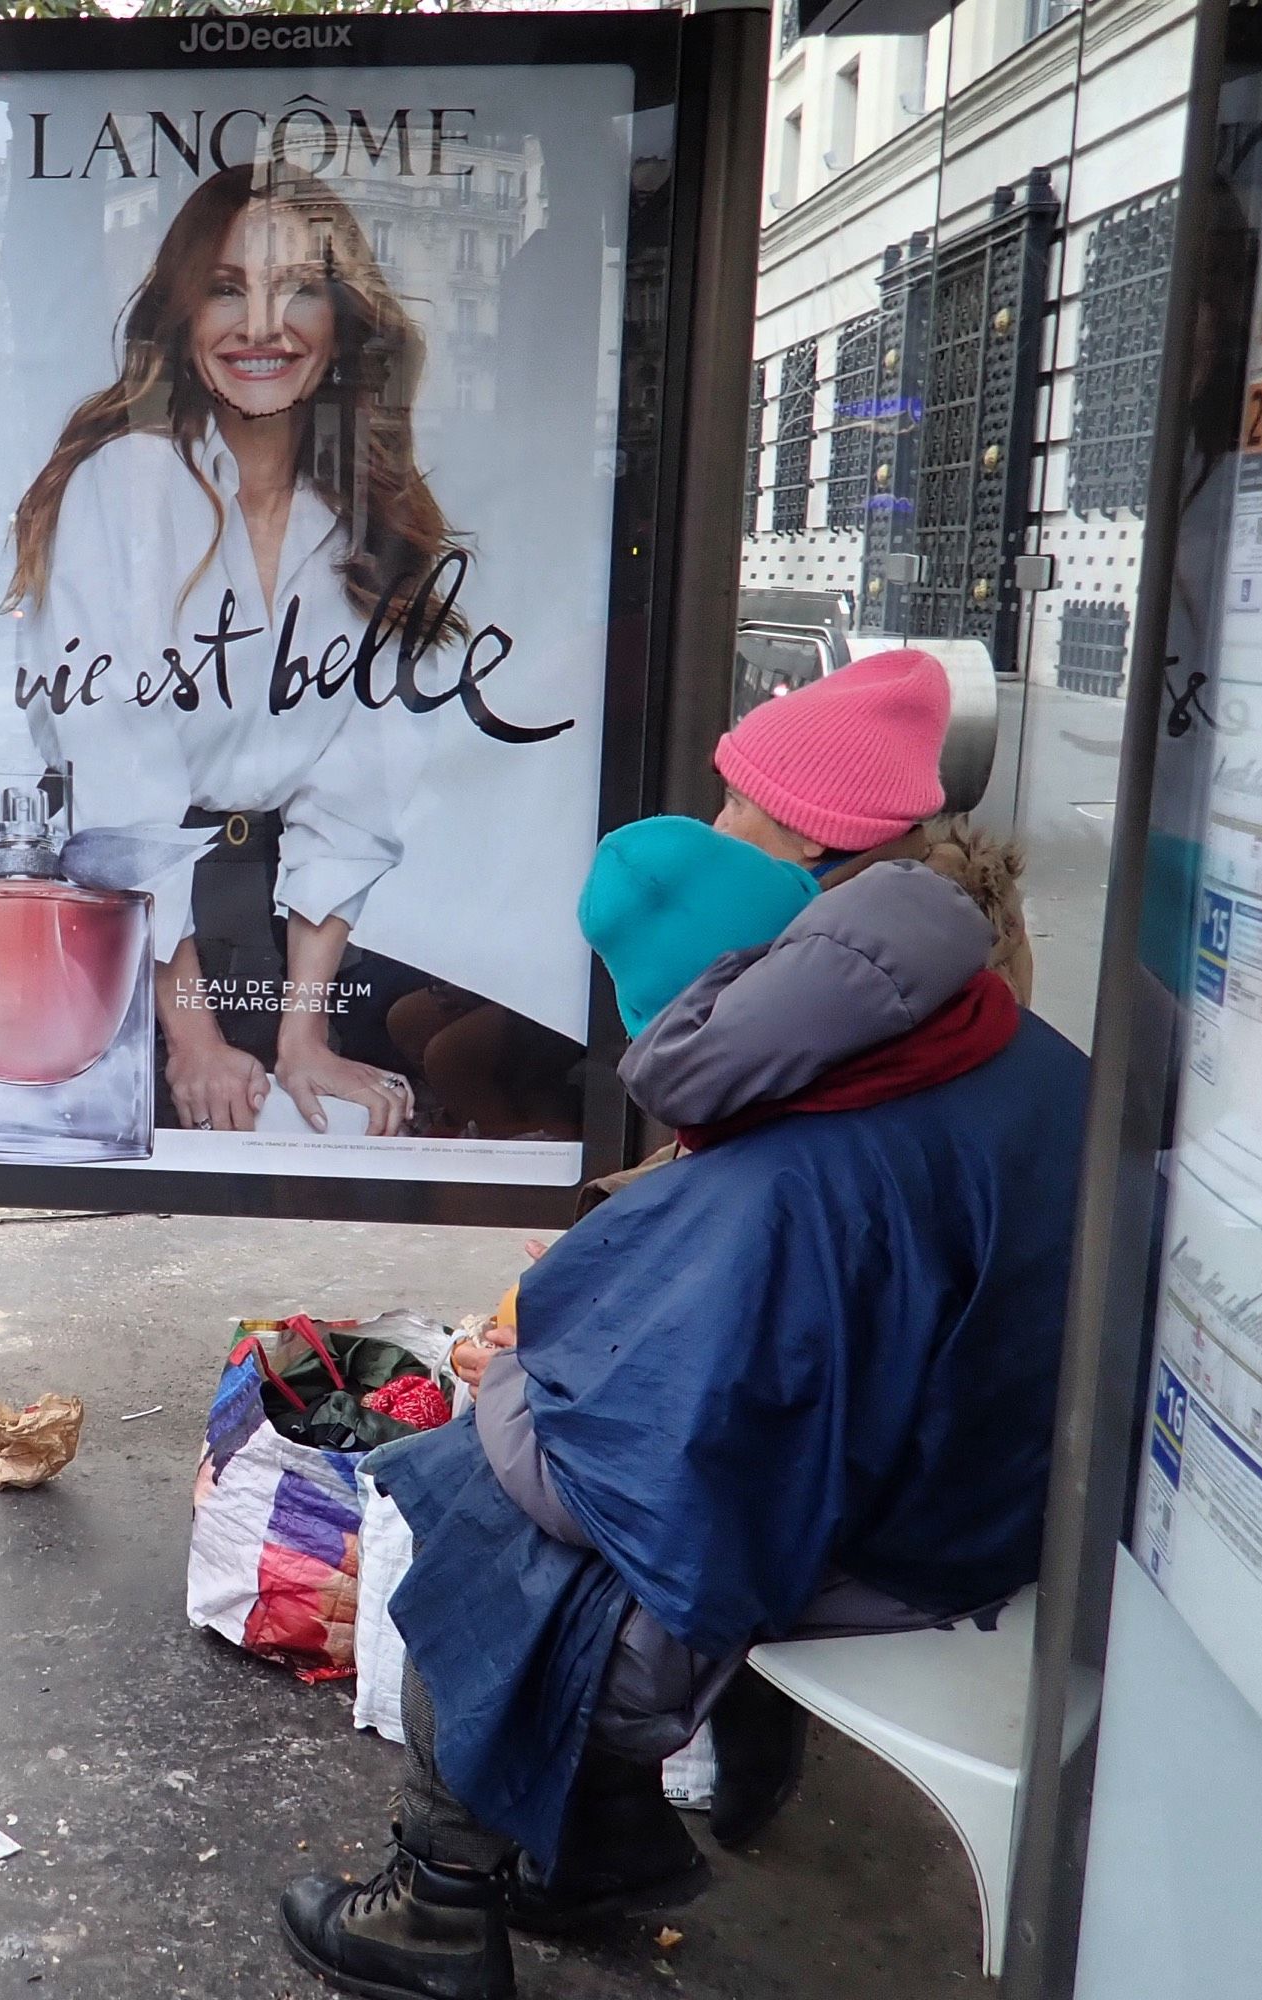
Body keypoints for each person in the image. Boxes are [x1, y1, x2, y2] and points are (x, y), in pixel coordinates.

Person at [278, 830, 1088, 2000]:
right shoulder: (975, 1036)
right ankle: (592, 1850)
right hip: (1007, 1468)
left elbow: (622, 1482)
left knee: (467, 1507)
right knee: (532, 1478)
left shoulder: (792, 1183)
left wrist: (504, 1375)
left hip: (927, 1529)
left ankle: (436, 1903)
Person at [7, 160, 465, 1139]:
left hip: (301, 928)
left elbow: (357, 791)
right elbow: (120, 774)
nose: (262, 324)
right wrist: (193, 1039)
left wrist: (302, 1033)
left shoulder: (361, 511)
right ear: (183, 314)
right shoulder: (122, 484)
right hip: (127, 926)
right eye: (225, 288)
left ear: (343, 318)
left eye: (299, 286)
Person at [714, 644, 1033, 1002]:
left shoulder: (831, 971)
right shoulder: (941, 923)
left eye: (736, 803)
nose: (719, 825)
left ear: (811, 830)